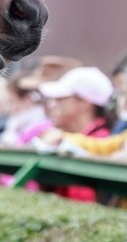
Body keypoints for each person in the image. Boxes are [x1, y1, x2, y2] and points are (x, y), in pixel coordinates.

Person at [35, 66, 115, 203]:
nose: (51, 105)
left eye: (60, 99)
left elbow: (83, 203)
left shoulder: (103, 142)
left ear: (84, 103)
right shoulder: (56, 136)